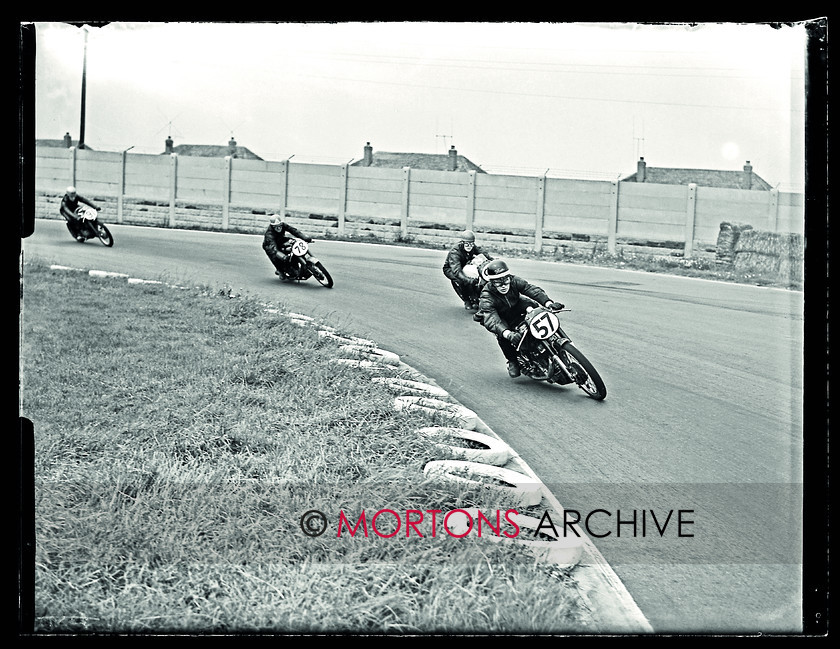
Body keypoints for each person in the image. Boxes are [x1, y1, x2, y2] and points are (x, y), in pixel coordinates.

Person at [477, 259, 565, 378]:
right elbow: (491, 317)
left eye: (505, 280)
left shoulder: (514, 281)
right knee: (503, 337)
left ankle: (555, 340)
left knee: (538, 310)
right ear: (492, 282)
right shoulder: (486, 295)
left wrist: (548, 303)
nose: (503, 285)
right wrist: (507, 334)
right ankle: (513, 361)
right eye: (498, 282)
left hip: (516, 306)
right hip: (501, 316)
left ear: (509, 277)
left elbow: (530, 289)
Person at [442, 229, 494, 311]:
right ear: (462, 243)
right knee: (462, 280)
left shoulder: (472, 246)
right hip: (451, 269)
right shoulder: (455, 252)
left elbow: (482, 253)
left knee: (476, 276)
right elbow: (457, 271)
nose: (469, 246)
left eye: (471, 243)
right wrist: (468, 280)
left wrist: (492, 261)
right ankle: (467, 300)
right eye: (467, 244)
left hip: (465, 265)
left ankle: (477, 297)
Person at [262, 214, 313, 278]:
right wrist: (283, 256)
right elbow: (273, 249)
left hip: (281, 240)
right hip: (270, 245)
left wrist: (305, 238)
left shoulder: (283, 225)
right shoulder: (269, 234)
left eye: (279, 225)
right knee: (276, 257)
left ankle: (300, 262)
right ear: (272, 226)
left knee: (294, 242)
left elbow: (293, 230)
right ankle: (280, 271)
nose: (279, 228)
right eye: (276, 227)